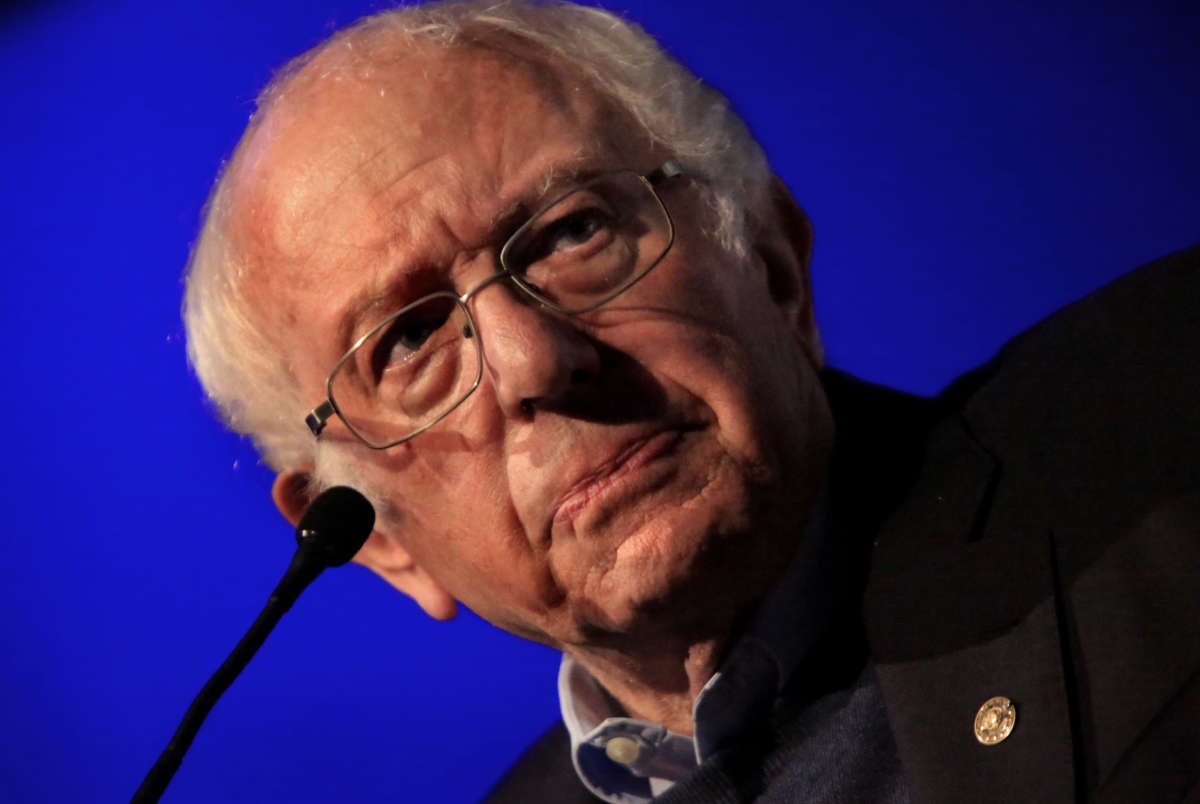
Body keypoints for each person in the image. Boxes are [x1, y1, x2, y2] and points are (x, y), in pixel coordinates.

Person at [182, 1, 1200, 801]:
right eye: (407, 342)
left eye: (571, 232)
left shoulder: (1163, 415)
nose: (535, 362)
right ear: (374, 541)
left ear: (769, 262)